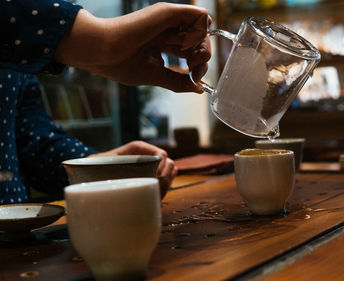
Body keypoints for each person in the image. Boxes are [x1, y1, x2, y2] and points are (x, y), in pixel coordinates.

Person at [0, 0, 212, 204]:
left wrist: (102, 165)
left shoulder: (17, 62)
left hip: (18, 232)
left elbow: (29, 140)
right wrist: (100, 38)